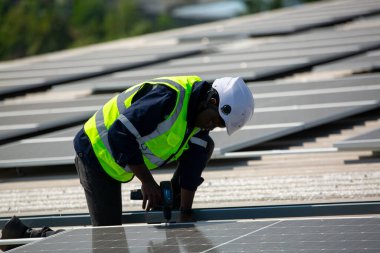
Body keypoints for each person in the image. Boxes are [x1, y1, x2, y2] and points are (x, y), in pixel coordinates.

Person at [73, 76, 254, 226]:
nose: (211, 127)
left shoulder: (199, 122)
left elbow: (192, 167)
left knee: (205, 145)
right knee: (109, 237)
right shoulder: (168, 98)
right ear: (212, 101)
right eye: (214, 121)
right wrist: (148, 183)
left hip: (119, 160)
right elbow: (119, 133)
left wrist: (185, 212)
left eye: (218, 126)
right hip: (94, 152)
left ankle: (170, 202)